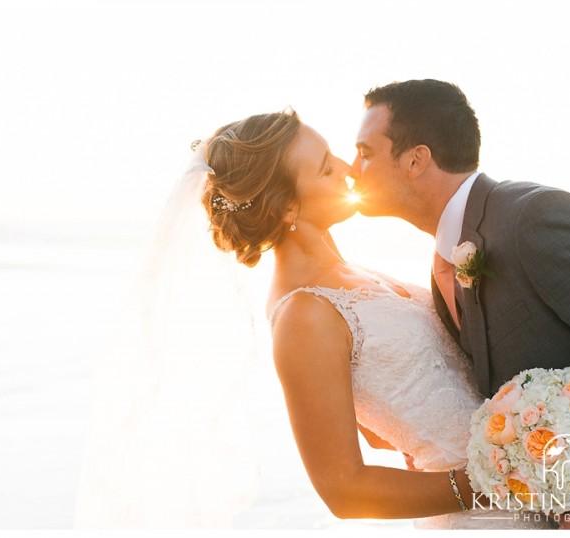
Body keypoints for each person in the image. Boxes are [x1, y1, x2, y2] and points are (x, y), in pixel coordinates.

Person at [198, 110, 550, 529]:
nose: (349, 169)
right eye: (327, 168)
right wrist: (494, 478)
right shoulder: (303, 315)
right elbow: (344, 491)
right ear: (287, 207)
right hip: (483, 517)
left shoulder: (355, 274)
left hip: (529, 484)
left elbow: (387, 409)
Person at [351, 79, 570, 529]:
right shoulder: (448, 256)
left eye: (365, 152)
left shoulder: (533, 218)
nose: (352, 168)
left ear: (415, 159)